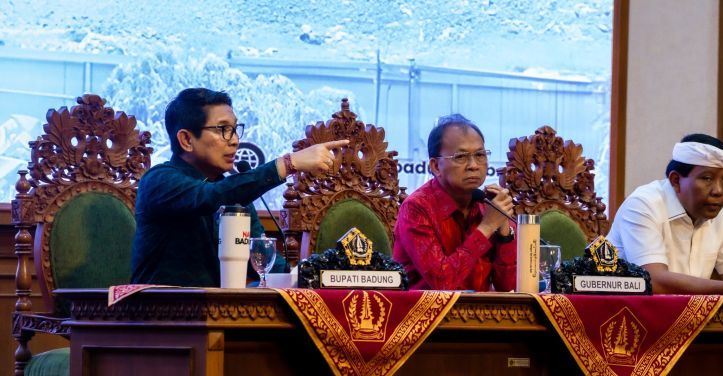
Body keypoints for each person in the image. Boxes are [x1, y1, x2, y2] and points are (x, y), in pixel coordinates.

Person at [131, 87, 346, 286]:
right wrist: (288, 164)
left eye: (235, 130)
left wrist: (314, 276)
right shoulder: (158, 180)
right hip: (160, 316)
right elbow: (210, 197)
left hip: (218, 312)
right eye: (224, 129)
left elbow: (266, 263)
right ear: (187, 139)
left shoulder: (233, 193)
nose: (234, 140)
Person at [607, 133, 723, 295]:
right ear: (675, 180)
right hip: (624, 312)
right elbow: (654, 282)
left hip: (691, 314)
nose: (719, 191)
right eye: (707, 178)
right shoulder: (643, 204)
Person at [392, 114, 516, 290]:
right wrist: (487, 227)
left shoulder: (488, 205)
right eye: (461, 157)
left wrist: (504, 231)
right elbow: (442, 282)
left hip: (483, 314)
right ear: (435, 166)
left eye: (480, 155)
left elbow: (510, 288)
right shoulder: (417, 208)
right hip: (426, 314)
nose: (474, 165)